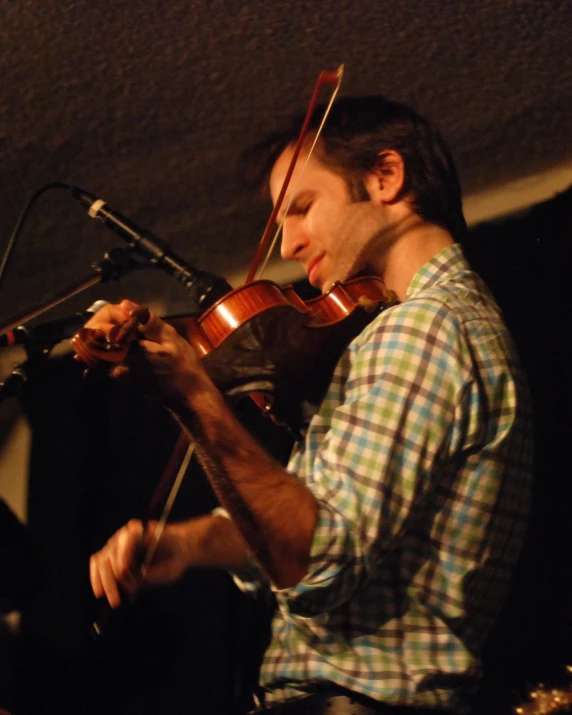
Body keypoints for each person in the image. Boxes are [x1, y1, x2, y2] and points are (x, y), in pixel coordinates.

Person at [87, 96, 533, 714]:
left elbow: (317, 561)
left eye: (301, 207)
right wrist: (189, 544)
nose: (290, 242)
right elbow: (305, 515)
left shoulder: (423, 328)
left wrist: (193, 394)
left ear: (385, 177)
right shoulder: (436, 325)